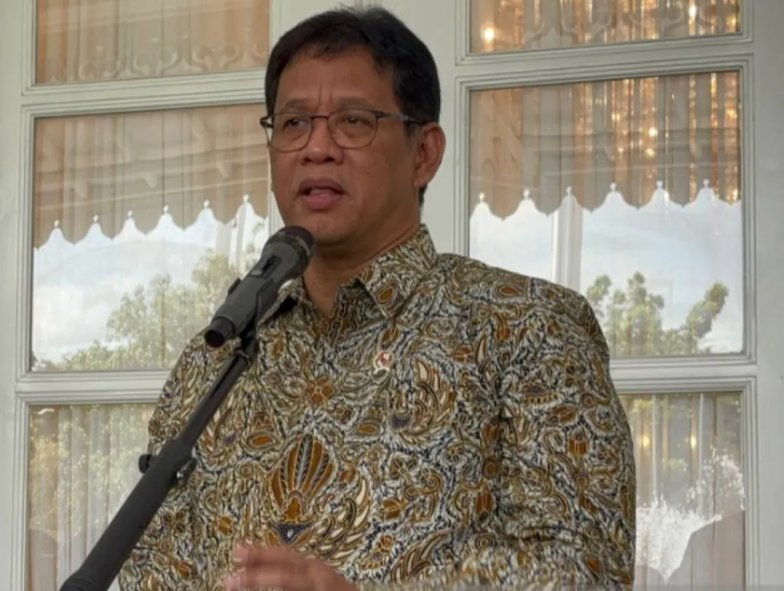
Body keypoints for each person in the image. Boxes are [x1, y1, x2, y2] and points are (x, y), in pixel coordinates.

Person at [118, 6, 636, 591]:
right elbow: (151, 569)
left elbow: (581, 566)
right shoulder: (214, 359)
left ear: (424, 153)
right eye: (293, 123)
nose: (316, 148)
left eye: (353, 121)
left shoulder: (528, 328)